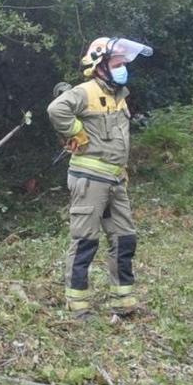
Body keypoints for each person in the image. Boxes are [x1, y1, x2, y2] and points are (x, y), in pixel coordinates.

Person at [47, 37, 152, 319]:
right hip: (89, 178)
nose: (123, 69)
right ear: (100, 65)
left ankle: (124, 301)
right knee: (85, 240)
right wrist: (76, 131)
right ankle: (77, 306)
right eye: (118, 63)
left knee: (125, 238)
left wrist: (120, 167)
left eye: (124, 64)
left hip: (115, 178)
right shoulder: (85, 91)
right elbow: (56, 110)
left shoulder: (119, 94)